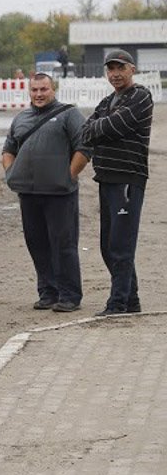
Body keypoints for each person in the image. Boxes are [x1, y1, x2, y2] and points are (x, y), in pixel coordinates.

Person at [2, 73, 90, 313]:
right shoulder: (21, 118)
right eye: (35, 90)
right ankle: (48, 293)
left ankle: (70, 296)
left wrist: (69, 175)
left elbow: (84, 146)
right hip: (28, 194)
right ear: (29, 92)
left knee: (63, 245)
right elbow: (8, 150)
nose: (39, 94)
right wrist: (11, 174)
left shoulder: (69, 114)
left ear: (53, 89)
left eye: (44, 89)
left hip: (60, 195)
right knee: (37, 244)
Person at [81, 49, 154, 316]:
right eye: (111, 69)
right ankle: (131, 301)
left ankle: (118, 304)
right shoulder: (107, 101)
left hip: (127, 179)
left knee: (121, 246)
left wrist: (101, 129)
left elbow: (113, 126)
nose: (115, 74)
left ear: (132, 69)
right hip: (107, 179)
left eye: (120, 68)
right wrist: (103, 128)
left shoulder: (141, 96)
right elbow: (85, 132)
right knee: (109, 246)